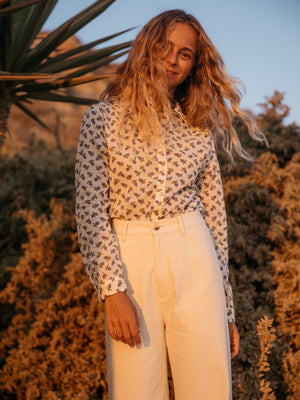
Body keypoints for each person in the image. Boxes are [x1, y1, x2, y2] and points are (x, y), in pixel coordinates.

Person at [75, 9, 265, 400]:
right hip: (130, 261)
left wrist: (227, 311)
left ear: (195, 65)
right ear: (147, 47)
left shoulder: (197, 129)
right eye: (165, 47)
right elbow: (91, 212)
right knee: (134, 391)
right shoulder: (102, 120)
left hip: (193, 253)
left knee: (209, 390)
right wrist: (112, 291)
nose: (172, 60)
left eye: (185, 54)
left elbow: (215, 220)